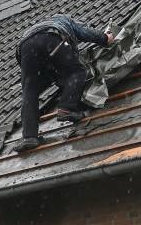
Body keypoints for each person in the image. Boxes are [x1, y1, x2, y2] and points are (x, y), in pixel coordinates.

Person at [15, 14, 115, 150]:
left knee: (30, 90)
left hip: (25, 48)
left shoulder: (38, 26)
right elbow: (84, 32)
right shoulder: (64, 20)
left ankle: (29, 136)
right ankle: (66, 109)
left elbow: (57, 76)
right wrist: (104, 38)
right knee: (77, 71)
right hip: (50, 38)